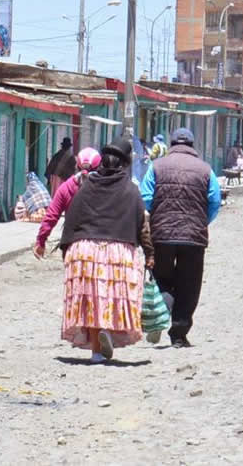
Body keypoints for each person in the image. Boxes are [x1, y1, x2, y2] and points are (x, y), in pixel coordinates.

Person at [58, 139, 153, 362]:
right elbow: (143, 227)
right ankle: (106, 332)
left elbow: (71, 219)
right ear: (126, 164)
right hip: (118, 251)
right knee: (112, 295)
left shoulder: (87, 186)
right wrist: (150, 254)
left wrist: (66, 249)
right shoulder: (131, 191)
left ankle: (96, 350)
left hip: (85, 250)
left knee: (90, 297)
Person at [139, 128, 222, 348]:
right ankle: (179, 334)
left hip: (161, 235)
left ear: (172, 144)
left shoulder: (156, 166)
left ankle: (160, 316)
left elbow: (146, 199)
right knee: (189, 285)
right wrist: (201, 222)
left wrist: (152, 222)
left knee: (162, 279)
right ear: (192, 146)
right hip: (193, 238)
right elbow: (215, 201)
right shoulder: (206, 169)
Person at [34, 148, 101, 257]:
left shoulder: (66, 187)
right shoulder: (107, 188)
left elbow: (51, 216)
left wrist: (41, 241)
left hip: (72, 246)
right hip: (99, 248)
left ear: (77, 166)